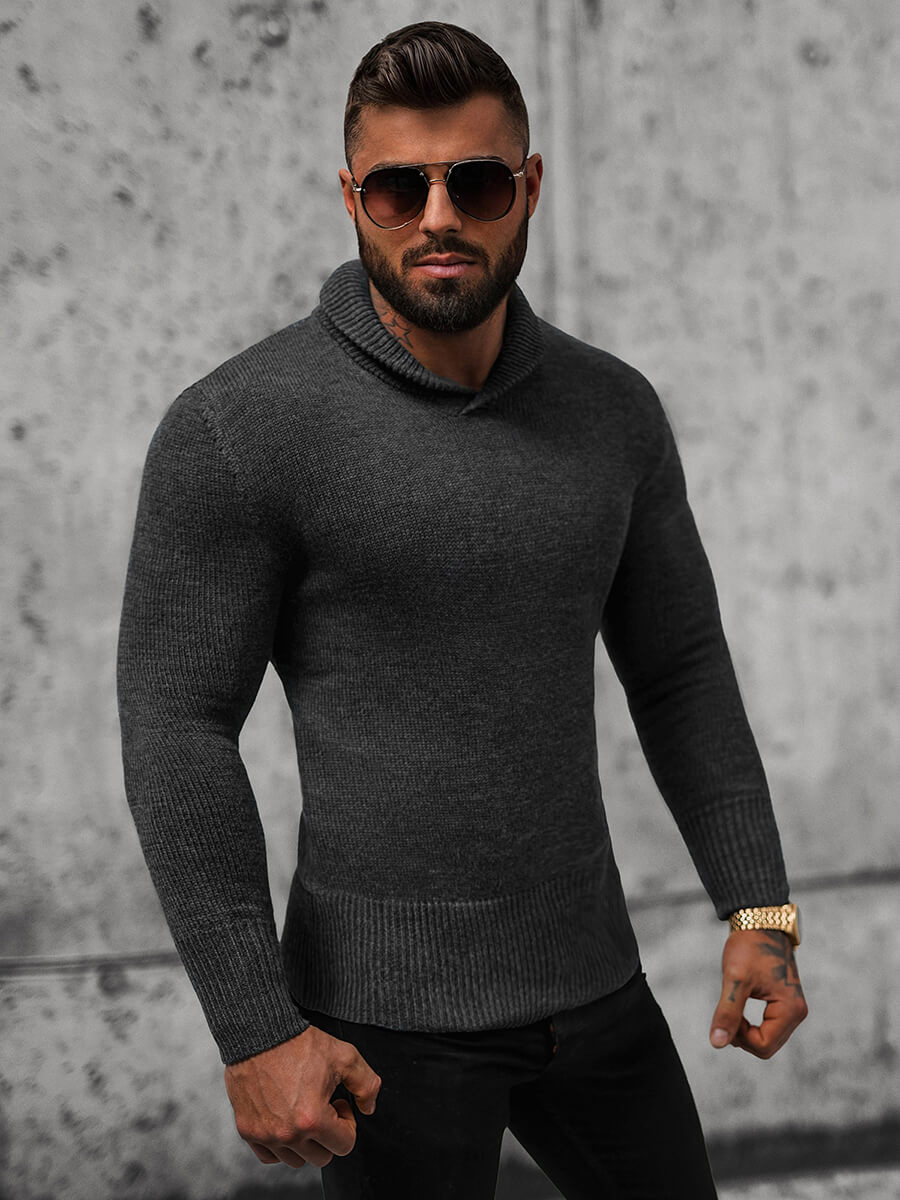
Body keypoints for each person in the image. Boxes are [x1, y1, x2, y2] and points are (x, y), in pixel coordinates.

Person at [117, 20, 807, 1200]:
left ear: (528, 187)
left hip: (593, 982)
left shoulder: (614, 412)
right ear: (352, 198)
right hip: (377, 1028)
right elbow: (176, 724)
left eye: (477, 183)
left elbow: (681, 669)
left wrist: (762, 908)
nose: (439, 216)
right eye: (399, 189)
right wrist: (254, 1026)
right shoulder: (237, 430)